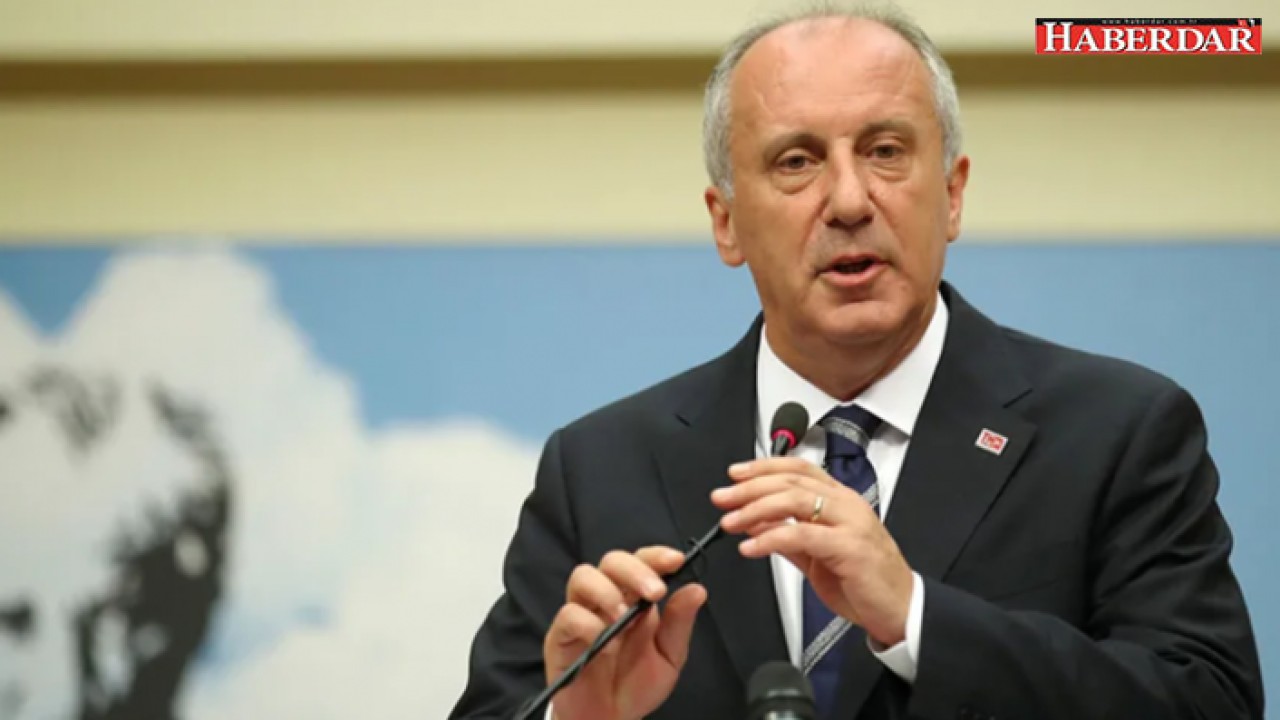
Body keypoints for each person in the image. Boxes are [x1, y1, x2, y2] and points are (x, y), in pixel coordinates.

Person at [449, 5, 1264, 719]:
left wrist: (916, 618)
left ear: (952, 194)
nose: (847, 201)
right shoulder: (600, 469)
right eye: (796, 162)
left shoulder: (1116, 433)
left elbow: (1209, 703)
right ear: (726, 222)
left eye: (885, 150)